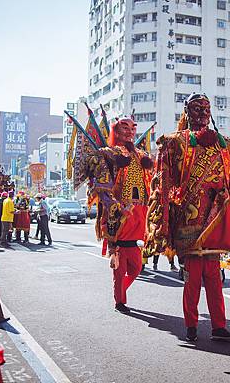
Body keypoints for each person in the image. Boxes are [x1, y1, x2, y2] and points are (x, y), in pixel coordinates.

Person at [146, 93, 230, 341]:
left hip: (214, 219)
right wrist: (164, 222)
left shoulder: (226, 146)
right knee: (192, 280)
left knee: (213, 278)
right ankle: (191, 325)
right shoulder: (174, 143)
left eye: (206, 108)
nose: (201, 113)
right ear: (186, 111)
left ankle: (218, 326)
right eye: (196, 108)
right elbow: (163, 185)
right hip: (189, 222)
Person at [82, 116, 153, 314]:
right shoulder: (106, 153)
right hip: (119, 215)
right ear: (116, 129)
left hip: (140, 212)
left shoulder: (140, 154)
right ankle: (119, 300)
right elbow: (100, 185)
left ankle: (121, 292)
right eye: (125, 127)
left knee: (137, 268)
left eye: (133, 128)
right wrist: (114, 205)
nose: (130, 131)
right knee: (119, 270)